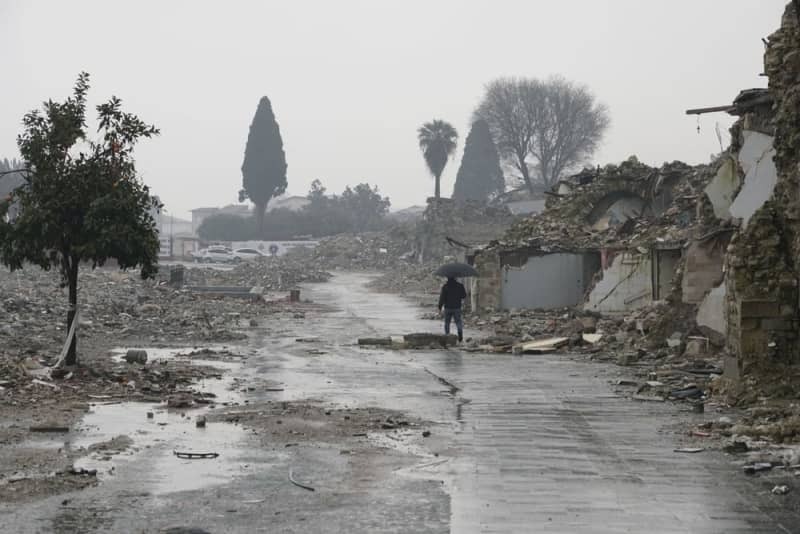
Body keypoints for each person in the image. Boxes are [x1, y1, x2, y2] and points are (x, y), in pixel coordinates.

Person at [438, 276, 466, 342]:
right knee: (458, 322)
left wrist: (439, 307)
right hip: (457, 307)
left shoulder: (445, 286)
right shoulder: (460, 286)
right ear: (455, 278)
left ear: (448, 278)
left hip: (447, 308)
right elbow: (464, 295)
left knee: (447, 323)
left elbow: (442, 298)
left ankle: (447, 337)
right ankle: (460, 336)